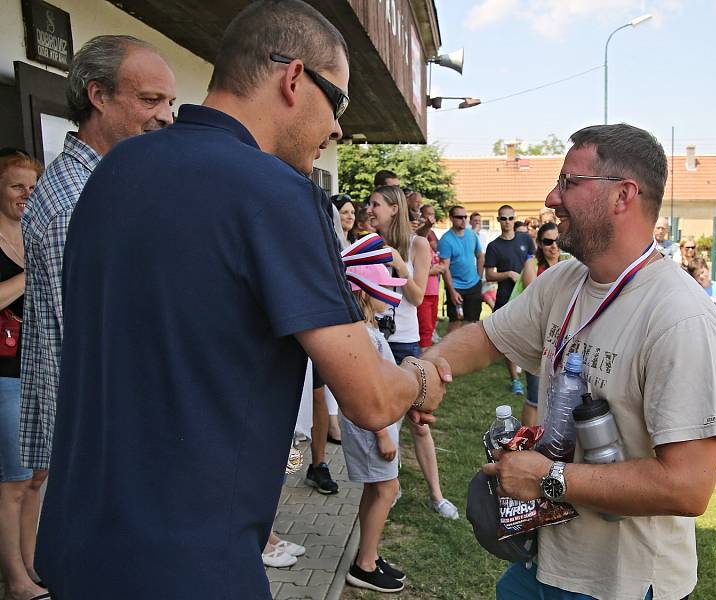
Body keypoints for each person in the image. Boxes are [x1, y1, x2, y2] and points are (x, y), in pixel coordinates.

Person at [34, 3, 446, 599]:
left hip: (75, 542)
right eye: (340, 105)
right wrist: (422, 377)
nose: (337, 130)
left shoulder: (115, 167)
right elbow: (371, 398)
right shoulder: (279, 193)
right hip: (188, 563)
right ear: (294, 78)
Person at [424, 123, 716, 600]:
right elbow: (487, 337)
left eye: (569, 182)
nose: (551, 197)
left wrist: (547, 478)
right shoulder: (566, 281)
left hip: (621, 584)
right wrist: (423, 372)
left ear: (622, 196)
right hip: (542, 563)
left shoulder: (679, 317)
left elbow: (688, 486)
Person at [19, 35, 176, 496]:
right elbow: (98, 343)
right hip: (106, 441)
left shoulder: (106, 183)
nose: (166, 116)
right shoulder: (79, 202)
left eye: (170, 101)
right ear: (98, 95)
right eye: (151, 100)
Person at [368, 186, 457, 520]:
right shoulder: (368, 244)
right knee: (381, 420)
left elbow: (418, 297)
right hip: (376, 340)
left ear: (394, 208)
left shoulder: (417, 245)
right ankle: (389, 487)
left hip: (404, 342)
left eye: (375, 204)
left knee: (418, 422)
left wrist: (398, 265)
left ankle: (436, 494)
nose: (369, 209)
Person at [340, 258, 407, 593]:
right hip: (372, 426)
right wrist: (382, 433)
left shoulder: (368, 328)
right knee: (386, 488)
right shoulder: (362, 335)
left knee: (377, 487)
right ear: (364, 294)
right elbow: (366, 385)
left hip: (379, 422)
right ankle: (364, 564)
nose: (388, 296)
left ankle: (370, 553)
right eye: (383, 289)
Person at [0, 151, 48, 600]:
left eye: (32, 187)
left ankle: (32, 564)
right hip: (5, 375)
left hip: (40, 368)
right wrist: (31, 275)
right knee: (13, 481)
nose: (26, 196)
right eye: (17, 186)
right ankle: (14, 580)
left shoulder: (33, 233)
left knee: (37, 476)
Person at [484, 204, 533, 395]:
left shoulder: (525, 239)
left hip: (527, 296)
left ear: (515, 219)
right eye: (503, 219)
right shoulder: (494, 246)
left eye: (510, 218)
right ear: (498, 220)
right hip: (505, 298)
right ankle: (515, 379)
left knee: (530, 336)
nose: (507, 222)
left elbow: (534, 261)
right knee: (509, 340)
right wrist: (508, 274)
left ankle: (532, 375)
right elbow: (489, 275)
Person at [517, 222, 560, 426]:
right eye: (548, 241)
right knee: (535, 397)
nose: (553, 246)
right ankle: (526, 443)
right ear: (540, 244)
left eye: (557, 240)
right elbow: (534, 302)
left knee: (557, 397)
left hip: (562, 338)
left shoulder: (570, 263)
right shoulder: (532, 265)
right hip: (536, 338)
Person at [439, 206, 484, 333]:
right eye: (459, 217)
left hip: (473, 284)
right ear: (452, 218)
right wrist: (452, 291)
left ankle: (467, 350)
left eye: (465, 217)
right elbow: (444, 268)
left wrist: (479, 277)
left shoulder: (471, 235)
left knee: (472, 322)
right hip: (456, 286)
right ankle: (449, 351)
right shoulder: (446, 240)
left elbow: (480, 256)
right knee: (455, 323)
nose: (463, 220)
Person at [416, 204, 444, 348]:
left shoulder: (430, 242)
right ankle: (422, 364)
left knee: (431, 328)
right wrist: (432, 271)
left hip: (433, 292)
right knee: (425, 331)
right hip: (424, 293)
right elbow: (414, 270)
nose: (431, 218)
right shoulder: (417, 240)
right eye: (428, 214)